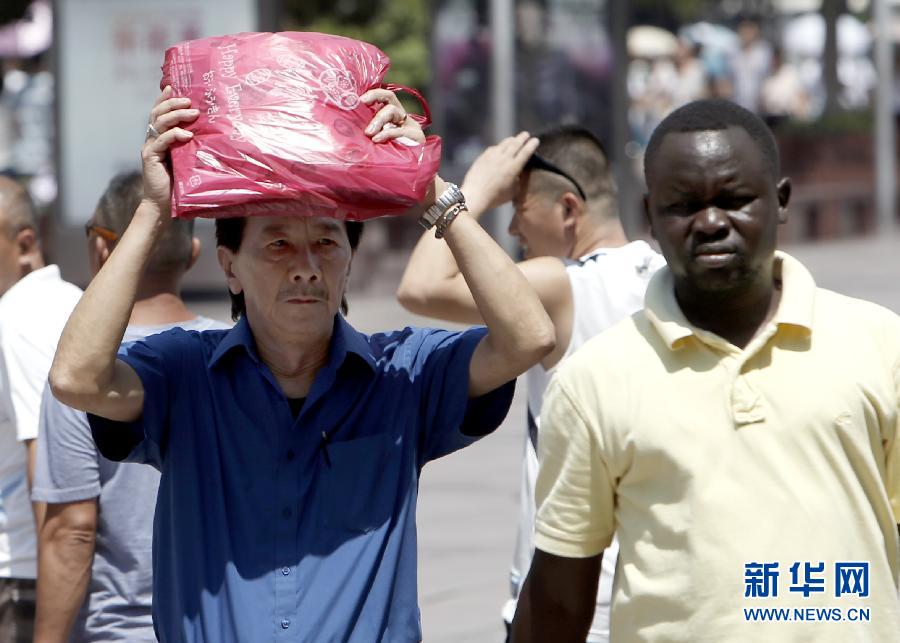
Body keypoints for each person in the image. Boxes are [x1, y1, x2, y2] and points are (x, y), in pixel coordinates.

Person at [48, 86, 554, 642]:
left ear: (349, 261)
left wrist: (431, 190)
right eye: (278, 245)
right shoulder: (183, 374)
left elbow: (528, 338)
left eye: (327, 243)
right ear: (230, 267)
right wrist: (152, 210)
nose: (306, 266)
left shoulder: (403, 374)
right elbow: (76, 378)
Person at [511, 99, 900, 642]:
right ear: (650, 216)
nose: (712, 222)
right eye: (684, 205)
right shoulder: (593, 381)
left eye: (735, 200)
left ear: (781, 201)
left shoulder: (880, 345)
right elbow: (558, 596)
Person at [398, 126, 664, 641]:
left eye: (518, 207)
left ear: (568, 208)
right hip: (650, 583)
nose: (514, 229)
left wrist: (470, 193)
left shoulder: (568, 283)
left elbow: (422, 286)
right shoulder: (664, 277)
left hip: (571, 596)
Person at [32, 171, 228, 642]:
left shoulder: (83, 374)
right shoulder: (235, 352)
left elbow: (73, 530)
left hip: (122, 630)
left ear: (102, 250)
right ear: (194, 254)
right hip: (227, 620)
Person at [0, 177, 82, 643]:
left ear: (24, 243)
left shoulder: (21, 316)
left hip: (25, 579)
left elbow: (48, 460)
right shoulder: (71, 300)